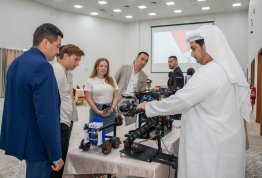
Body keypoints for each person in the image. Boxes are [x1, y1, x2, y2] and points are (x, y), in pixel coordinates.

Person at [137, 25, 251, 178]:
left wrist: (149, 106)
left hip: (209, 144)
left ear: (207, 46)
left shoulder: (209, 72)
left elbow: (180, 101)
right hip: (223, 140)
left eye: (194, 48)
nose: (191, 54)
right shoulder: (225, 69)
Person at [0, 23, 64, 178]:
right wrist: (55, 153)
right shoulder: (43, 66)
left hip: (21, 133)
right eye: (57, 46)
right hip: (37, 140)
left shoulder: (16, 63)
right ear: (45, 42)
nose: (58, 52)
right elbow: (46, 115)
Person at [51, 44, 85, 178]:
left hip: (68, 118)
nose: (77, 64)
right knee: (58, 156)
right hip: (60, 120)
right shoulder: (55, 70)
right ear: (65, 56)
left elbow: (68, 97)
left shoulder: (68, 73)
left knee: (63, 151)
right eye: (76, 59)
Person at [84, 58, 119, 133]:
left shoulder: (111, 79)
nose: (103, 68)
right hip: (95, 110)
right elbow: (88, 98)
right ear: (96, 67)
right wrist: (98, 111)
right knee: (95, 136)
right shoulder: (90, 80)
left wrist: (112, 108)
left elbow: (116, 95)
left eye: (106, 66)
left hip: (110, 110)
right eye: (101, 66)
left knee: (109, 135)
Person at [115, 52, 149, 125]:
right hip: (118, 99)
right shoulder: (124, 68)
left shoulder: (144, 77)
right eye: (142, 59)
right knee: (115, 126)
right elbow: (113, 83)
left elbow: (141, 94)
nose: (143, 62)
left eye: (146, 61)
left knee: (129, 126)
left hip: (132, 103)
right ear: (136, 58)